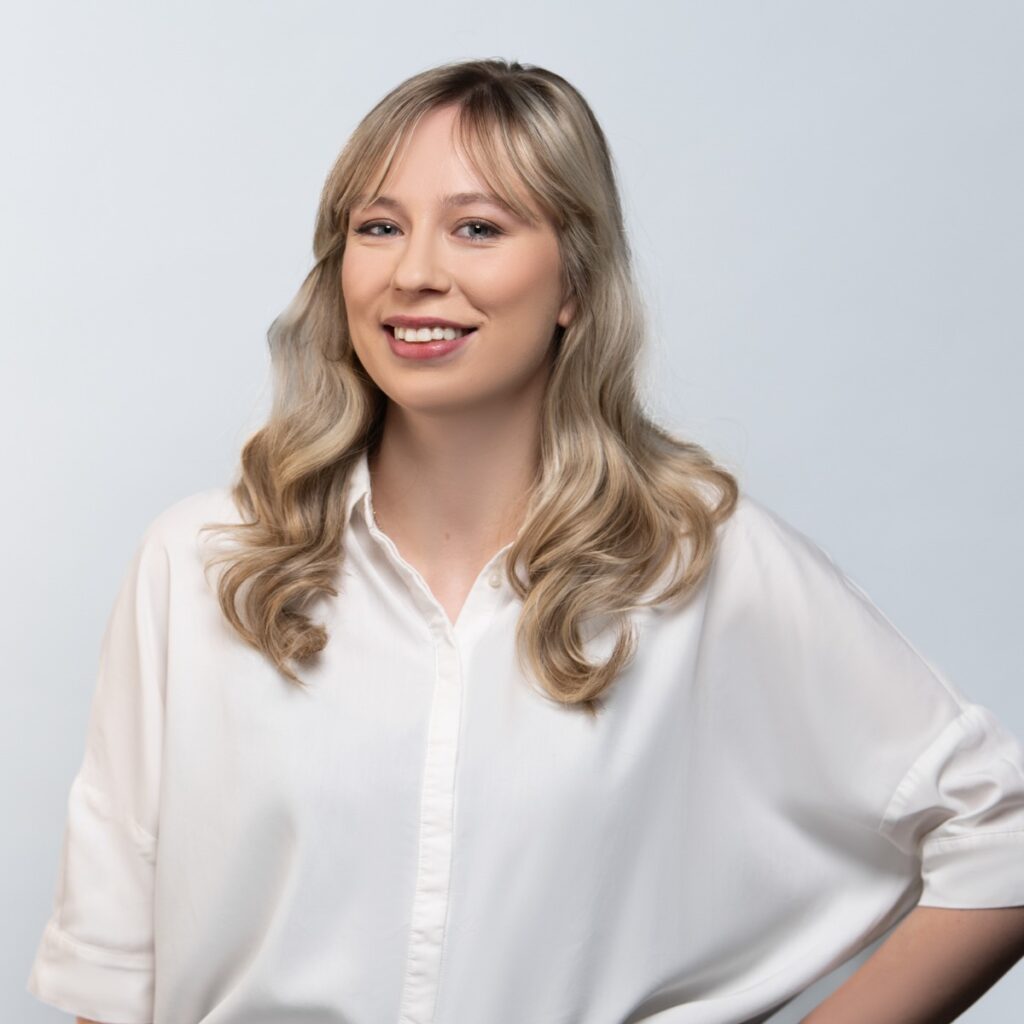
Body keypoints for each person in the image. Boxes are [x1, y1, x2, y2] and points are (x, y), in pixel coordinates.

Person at [26, 58, 1024, 1024]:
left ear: (573, 284)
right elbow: (113, 980)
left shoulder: (694, 561)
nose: (416, 273)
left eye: (477, 228)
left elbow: (1001, 831)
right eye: (379, 227)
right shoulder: (200, 562)